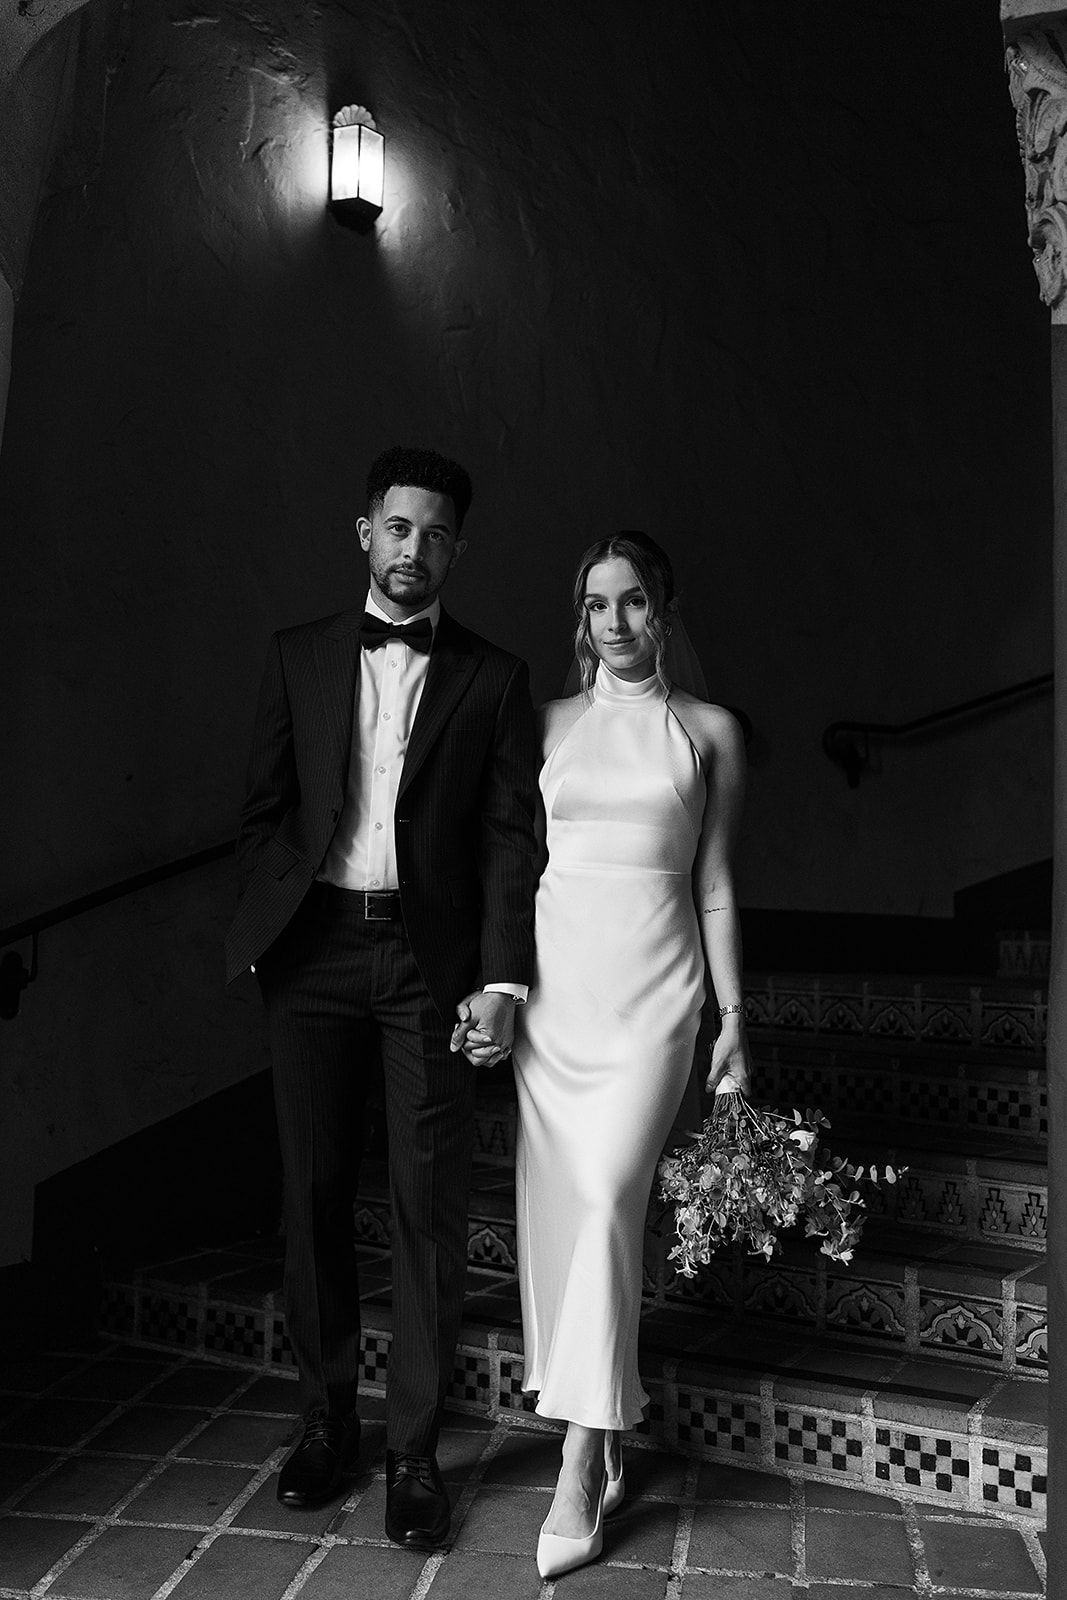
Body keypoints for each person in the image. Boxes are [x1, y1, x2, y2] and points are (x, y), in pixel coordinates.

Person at [225, 446, 539, 1550]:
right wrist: (268, 936)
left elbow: (511, 838)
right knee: (309, 1196)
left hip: (427, 967)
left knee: (426, 1211)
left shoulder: (494, 679)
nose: (416, 550)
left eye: (437, 533)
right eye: (398, 527)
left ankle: (413, 1451)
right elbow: (263, 809)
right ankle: (324, 1427)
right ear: (364, 531)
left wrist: (500, 981)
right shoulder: (297, 654)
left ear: (458, 546)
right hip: (309, 953)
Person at [506, 531, 751, 1578]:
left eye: (635, 602)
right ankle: (604, 1433)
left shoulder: (708, 733)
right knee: (570, 1217)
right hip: (557, 1003)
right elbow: (511, 877)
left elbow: (714, 883)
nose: (616, 623)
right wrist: (500, 991)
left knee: (609, 1194)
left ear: (666, 607)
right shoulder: (544, 727)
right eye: (598, 604)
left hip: (657, 1001)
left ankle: (574, 1460)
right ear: (579, 615)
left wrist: (736, 1013)